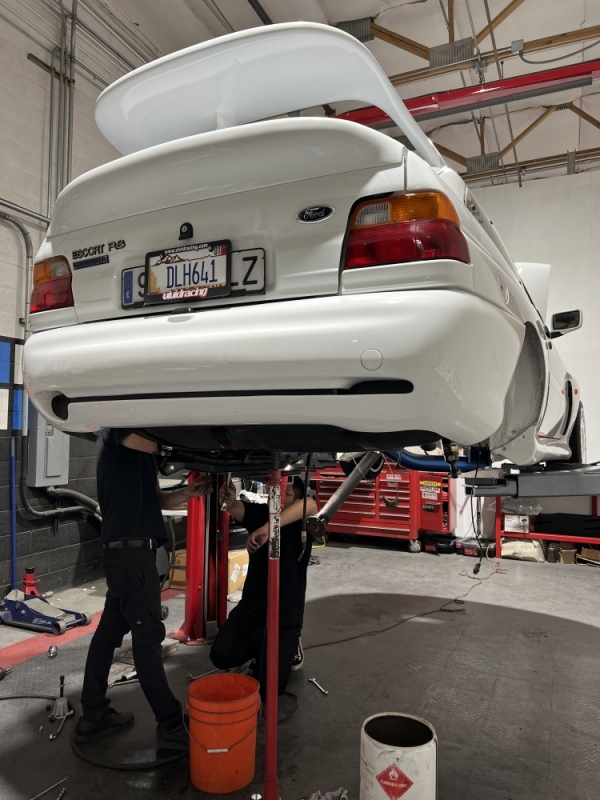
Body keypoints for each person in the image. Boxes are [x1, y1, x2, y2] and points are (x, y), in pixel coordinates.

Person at [75, 429, 211, 749]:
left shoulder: (139, 456)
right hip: (130, 554)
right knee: (147, 637)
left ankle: (94, 713)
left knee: (109, 633)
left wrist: (188, 492)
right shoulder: (117, 432)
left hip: (128, 555)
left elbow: (159, 499)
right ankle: (170, 724)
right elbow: (156, 440)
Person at [210, 475, 317, 699]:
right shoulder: (262, 513)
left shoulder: (303, 524)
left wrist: (270, 528)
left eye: (287, 493)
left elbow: (311, 504)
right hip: (252, 610)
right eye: (276, 491)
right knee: (221, 655)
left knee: (271, 689)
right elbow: (235, 507)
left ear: (297, 498)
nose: (279, 496)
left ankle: (288, 646)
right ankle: (260, 650)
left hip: (285, 616)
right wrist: (228, 499)